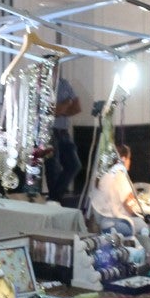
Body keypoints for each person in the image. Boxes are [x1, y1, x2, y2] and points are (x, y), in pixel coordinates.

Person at [90, 144, 146, 237]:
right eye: (129, 158)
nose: (130, 162)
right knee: (148, 226)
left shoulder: (100, 175)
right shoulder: (119, 176)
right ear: (123, 159)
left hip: (103, 223)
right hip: (119, 224)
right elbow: (130, 205)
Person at [44, 76, 82, 204]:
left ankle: (54, 198)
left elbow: (77, 108)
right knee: (52, 168)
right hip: (49, 131)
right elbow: (51, 111)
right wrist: (66, 104)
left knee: (74, 165)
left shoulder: (65, 83)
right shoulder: (43, 85)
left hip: (63, 131)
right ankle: (55, 199)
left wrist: (61, 108)